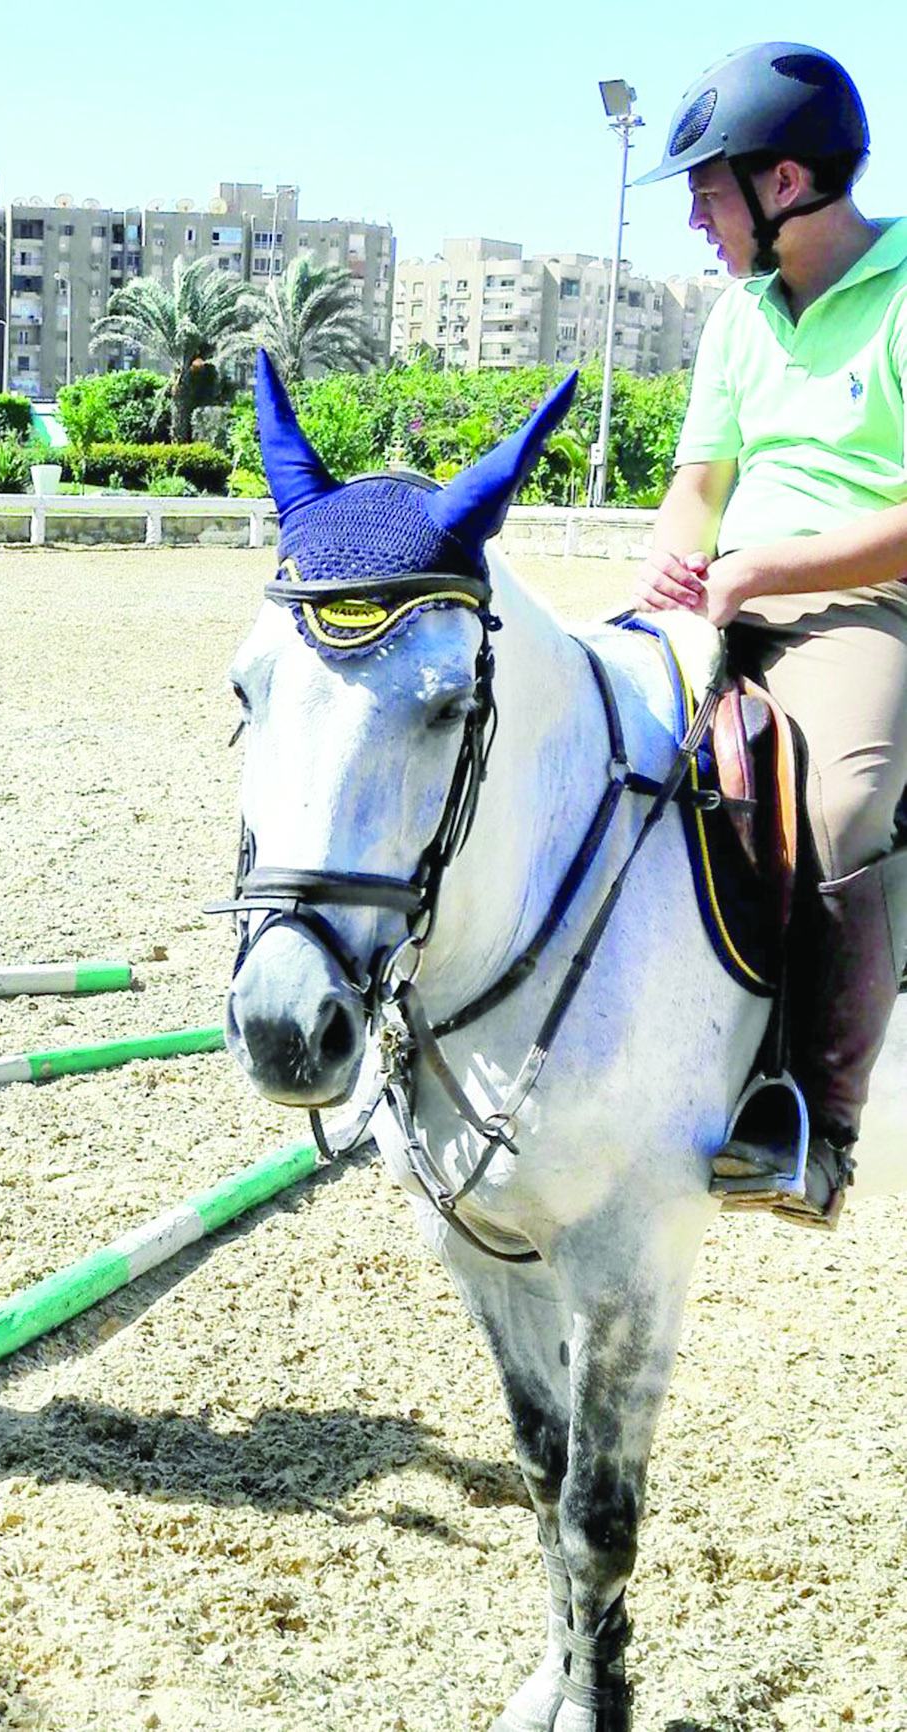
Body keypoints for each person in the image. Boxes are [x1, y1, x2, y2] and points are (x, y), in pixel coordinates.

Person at [632, 41, 907, 1227]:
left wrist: (761, 568)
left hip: (863, 603)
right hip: (724, 594)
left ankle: (815, 1124)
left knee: (841, 808)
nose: (696, 219)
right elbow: (699, 482)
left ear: (783, 183)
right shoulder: (739, 315)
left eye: (708, 192)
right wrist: (672, 558)